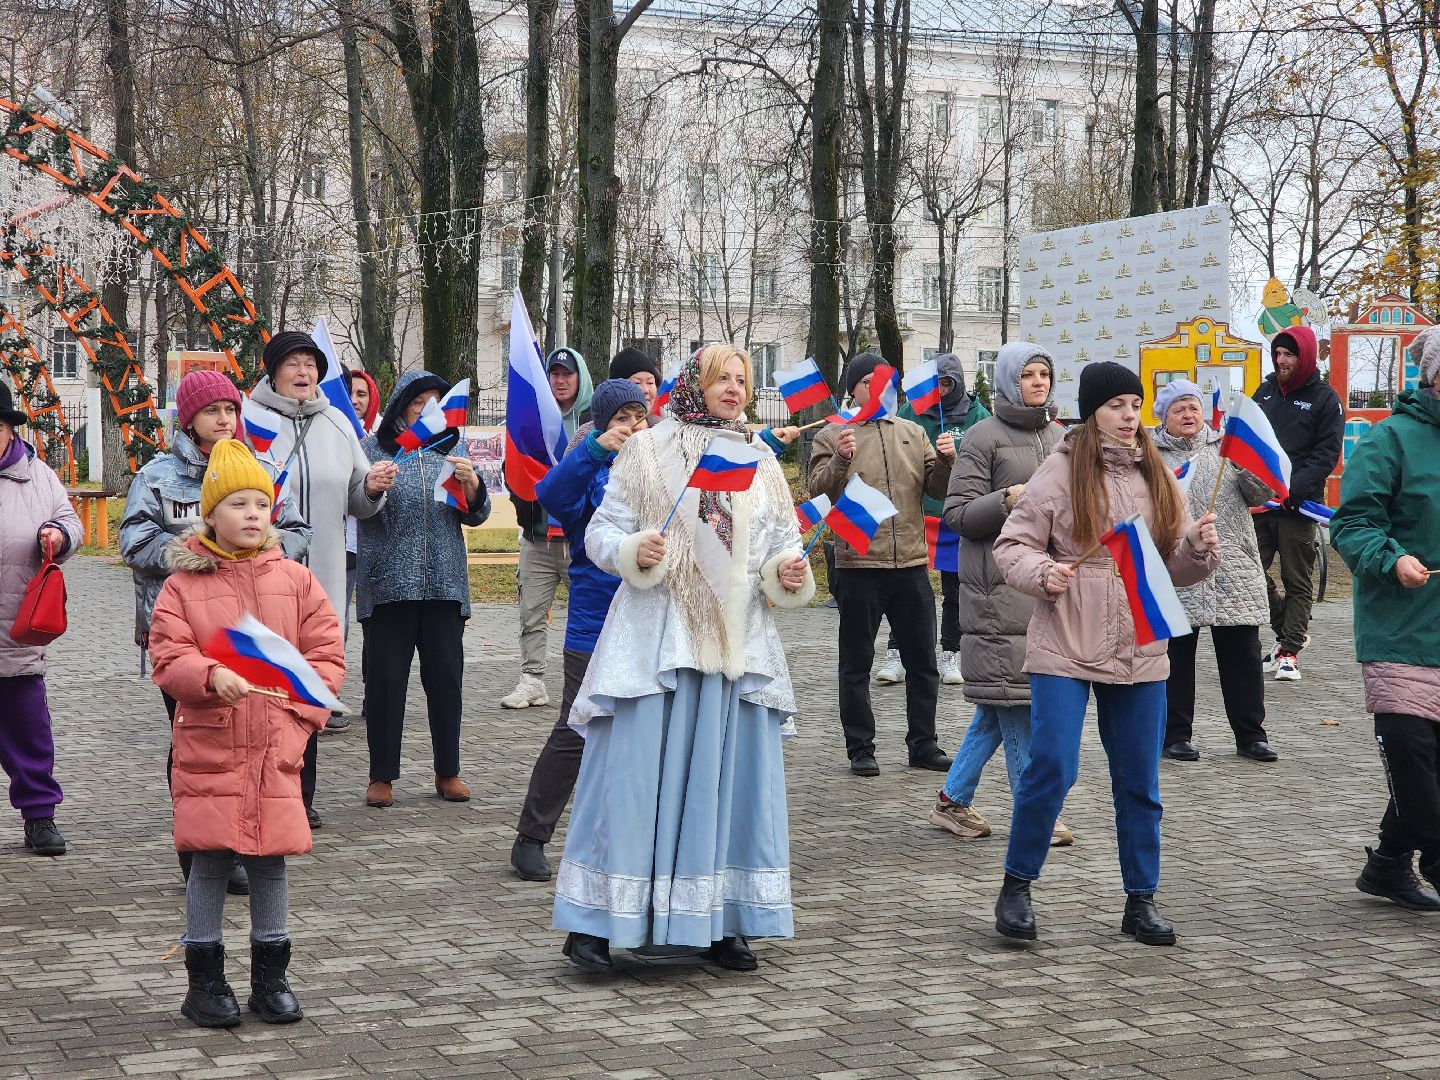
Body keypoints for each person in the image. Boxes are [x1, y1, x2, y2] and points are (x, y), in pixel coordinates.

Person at [551, 344, 813, 973]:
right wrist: (633, 550)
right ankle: (595, 925)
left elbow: (782, 540)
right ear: (695, 382)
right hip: (657, 642)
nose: (735, 388)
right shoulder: (647, 449)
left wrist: (787, 569)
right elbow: (601, 531)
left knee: (731, 783)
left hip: (735, 645)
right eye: (722, 377)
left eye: (742, 379)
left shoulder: (760, 459)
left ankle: (723, 921)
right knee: (630, 780)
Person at [991, 362, 1220, 946]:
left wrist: (1196, 549)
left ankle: (1141, 900)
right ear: (1091, 411)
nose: (1128, 415)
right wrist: (1043, 571)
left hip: (1140, 641)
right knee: (1053, 766)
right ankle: (1017, 885)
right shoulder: (1060, 469)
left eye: (1134, 405)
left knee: (1140, 779)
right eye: (1116, 405)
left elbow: (1172, 567)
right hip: (1065, 639)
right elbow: (1011, 546)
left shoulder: (1157, 472)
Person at [148, 439, 344, 1028]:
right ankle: (205, 980)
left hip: (276, 747)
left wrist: (299, 722)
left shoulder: (297, 580)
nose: (253, 514)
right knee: (209, 862)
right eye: (238, 504)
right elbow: (168, 655)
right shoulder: (182, 587)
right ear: (210, 514)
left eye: (261, 503)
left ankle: (271, 977)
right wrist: (209, 675)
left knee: (270, 862)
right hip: (211, 747)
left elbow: (325, 657)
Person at [121, 369, 312, 890]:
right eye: (212, 411)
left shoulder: (263, 468)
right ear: (189, 419)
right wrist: (194, 555)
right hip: (186, 633)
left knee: (252, 741)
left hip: (254, 633)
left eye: (231, 409)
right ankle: (202, 851)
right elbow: (133, 542)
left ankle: (246, 845)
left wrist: (259, 554)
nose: (224, 419)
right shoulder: (157, 476)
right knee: (197, 743)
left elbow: (297, 532)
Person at [245, 331, 395, 825]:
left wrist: (372, 487)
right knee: (266, 689)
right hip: (263, 579)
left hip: (323, 580)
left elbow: (358, 499)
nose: (304, 372)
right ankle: (261, 793)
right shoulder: (249, 421)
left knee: (306, 691)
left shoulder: (337, 422)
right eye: (293, 363)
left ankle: (299, 799)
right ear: (273, 372)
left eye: (310, 364)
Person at [929, 344, 1071, 846]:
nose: (1038, 382)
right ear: (1010, 380)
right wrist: (1006, 499)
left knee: (1000, 704)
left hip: (1045, 588)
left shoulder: (1061, 437)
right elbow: (958, 515)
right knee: (1017, 705)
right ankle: (1036, 814)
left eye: (1044, 374)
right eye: (1028, 374)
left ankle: (951, 801)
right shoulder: (982, 437)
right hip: (997, 590)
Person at [511, 379, 649, 881]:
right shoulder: (588, 463)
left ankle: (633, 844)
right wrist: (595, 447)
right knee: (575, 729)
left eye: (639, 418)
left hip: (649, 620)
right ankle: (531, 836)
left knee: (643, 734)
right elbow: (549, 493)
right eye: (621, 419)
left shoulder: (656, 468)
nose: (632, 428)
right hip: (594, 623)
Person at [1331, 323, 1440, 913]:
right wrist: (1392, 558)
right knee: (1411, 752)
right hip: (1401, 626)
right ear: (1435, 377)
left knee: (1432, 762)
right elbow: (1352, 524)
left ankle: (1388, 864)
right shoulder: (1389, 440)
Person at [807, 352, 955, 776]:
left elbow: (938, 490)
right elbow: (819, 493)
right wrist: (840, 458)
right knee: (856, 664)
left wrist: (947, 461)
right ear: (853, 389)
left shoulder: (912, 430)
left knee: (923, 662)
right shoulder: (834, 433)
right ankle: (860, 748)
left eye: (886, 380)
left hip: (910, 562)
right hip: (858, 565)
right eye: (869, 381)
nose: (880, 388)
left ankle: (923, 745)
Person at [357, 371, 490, 808]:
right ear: (401, 406)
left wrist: (472, 485)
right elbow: (354, 505)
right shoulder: (372, 451)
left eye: (437, 402)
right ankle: (382, 775)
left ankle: (448, 771)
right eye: (420, 402)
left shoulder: (452, 449)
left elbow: (477, 515)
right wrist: (370, 488)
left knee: (447, 681)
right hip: (388, 585)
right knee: (385, 684)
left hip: (445, 585)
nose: (430, 410)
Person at [1151, 379, 1279, 763]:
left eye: (1193, 407)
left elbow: (1263, 493)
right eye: (1179, 409)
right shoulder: (1150, 455)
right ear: (1163, 417)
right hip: (1177, 565)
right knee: (1175, 657)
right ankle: (1175, 735)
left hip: (1232, 566)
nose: (1188, 415)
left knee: (1242, 656)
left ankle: (1251, 736)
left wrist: (1247, 467)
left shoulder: (1228, 445)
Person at [0, 383, 82, 856]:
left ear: (10, 429)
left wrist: (58, 534)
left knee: (28, 732)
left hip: (16, 631)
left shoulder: (39, 476)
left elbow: (70, 521)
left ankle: (39, 815)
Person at [884, 352, 991, 686]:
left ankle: (951, 652)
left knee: (955, 590)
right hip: (915, 513)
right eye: (936, 384)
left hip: (956, 515)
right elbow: (892, 450)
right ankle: (897, 651)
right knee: (905, 589)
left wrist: (954, 457)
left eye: (947, 384)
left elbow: (987, 460)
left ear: (958, 383)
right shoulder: (911, 412)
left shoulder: (977, 416)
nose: (940, 391)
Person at [501, 346, 593, 710]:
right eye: (554, 373)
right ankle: (532, 680)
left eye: (567, 373)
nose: (560, 380)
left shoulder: (593, 421)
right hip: (537, 536)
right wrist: (525, 504)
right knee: (531, 613)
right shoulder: (532, 419)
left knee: (587, 613)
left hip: (579, 540)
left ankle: (592, 681)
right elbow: (513, 471)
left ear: (580, 377)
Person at [1252, 325, 1344, 681]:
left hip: (1298, 507)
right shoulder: (1264, 392)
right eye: (1277, 354)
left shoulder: (1325, 399)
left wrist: (1295, 491)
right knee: (1251, 573)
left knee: (1297, 580)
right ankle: (1289, 633)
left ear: (1304, 357)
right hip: (1260, 503)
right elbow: (1248, 439)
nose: (1281, 360)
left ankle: (1289, 652)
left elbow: (1326, 454)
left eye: (1288, 354)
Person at [344, 367, 382, 630]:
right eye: (349, 393)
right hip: (345, 543)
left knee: (377, 622)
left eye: (362, 394)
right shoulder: (332, 432)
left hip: (377, 542)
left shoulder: (385, 436)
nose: (355, 400)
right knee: (337, 615)